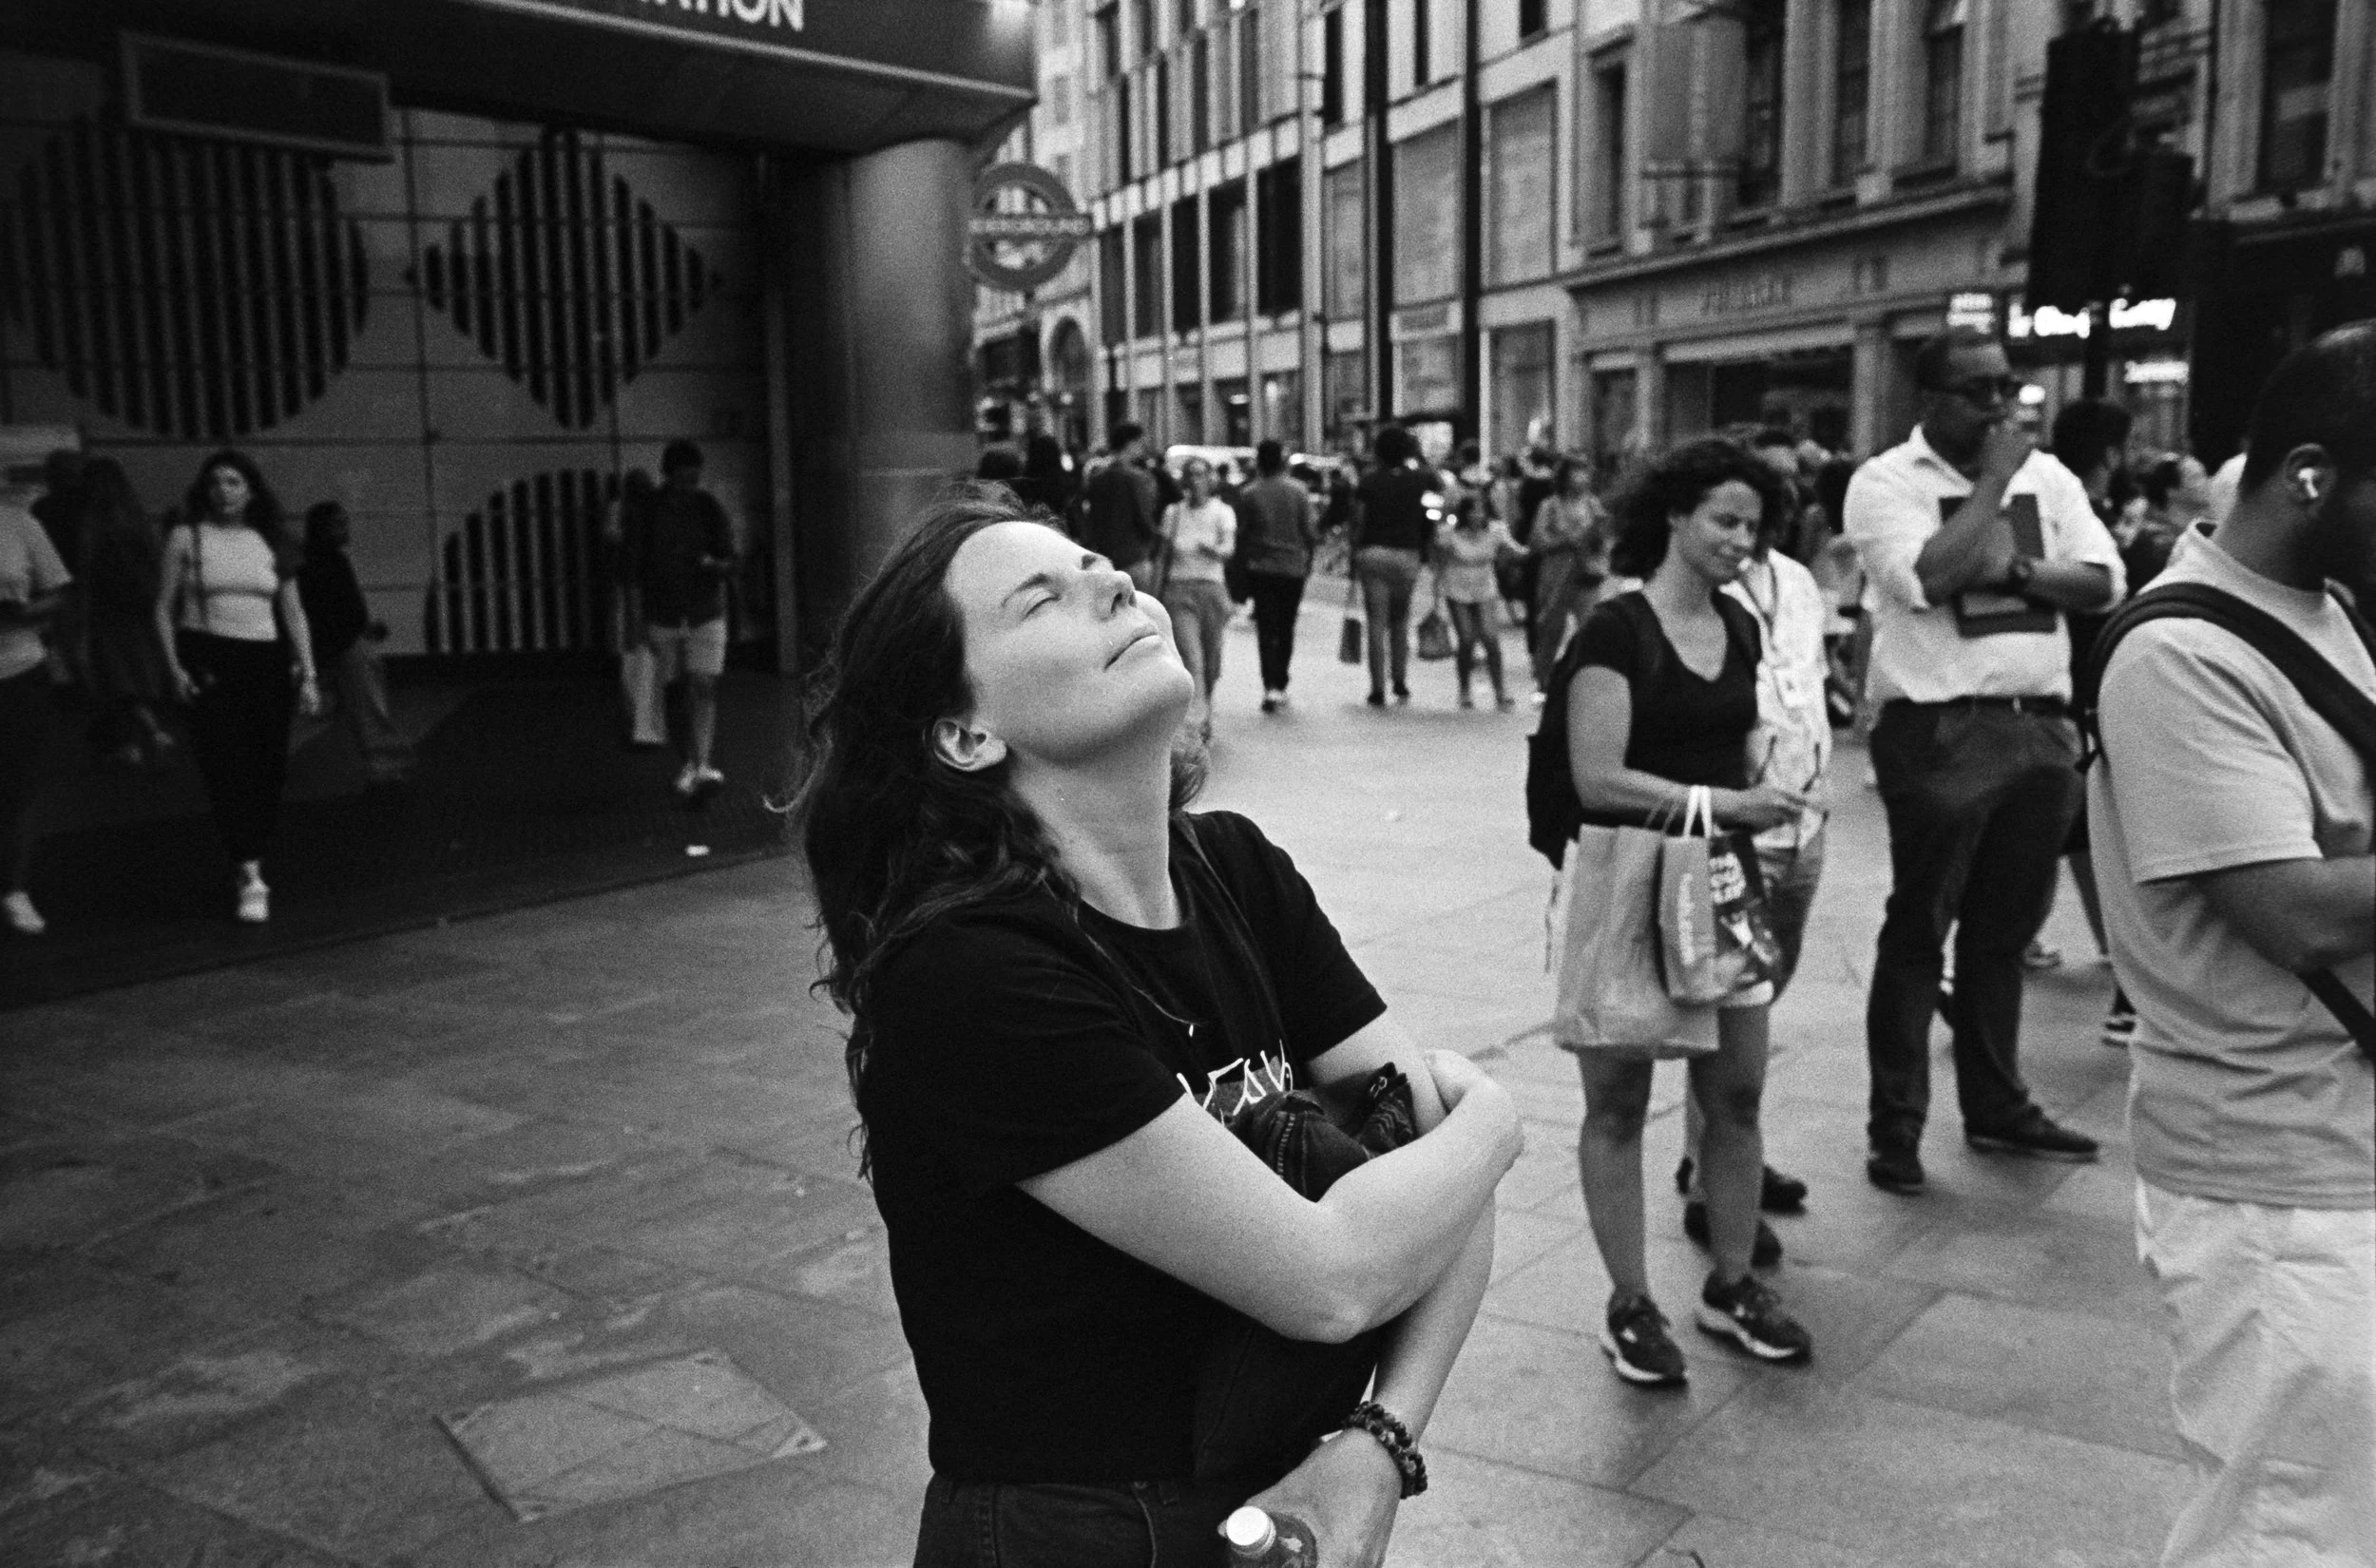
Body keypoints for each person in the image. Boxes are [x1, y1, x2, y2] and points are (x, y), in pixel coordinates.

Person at [795, 490, 1522, 1568]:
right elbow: (1331, 1277)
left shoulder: (1235, 869)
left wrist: (1379, 1445)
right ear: (965, 733)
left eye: (1096, 563)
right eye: (1042, 596)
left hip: (1288, 1491)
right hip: (1084, 1529)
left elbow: (1438, 1197)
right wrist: (1496, 1121)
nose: (1114, 582)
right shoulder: (970, 974)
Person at [2088, 323, 2376, 1568]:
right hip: (2272, 1169)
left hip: (2335, 1133)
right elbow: (2294, 909)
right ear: (2312, 475)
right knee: (2281, 1533)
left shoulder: (2321, 608)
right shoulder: (2181, 652)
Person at [1844, 328, 2125, 1193]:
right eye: (1979, 391)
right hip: (1940, 728)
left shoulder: (2054, 478)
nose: (2002, 405)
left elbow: (2103, 581)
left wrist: (2015, 570)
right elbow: (1926, 578)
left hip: (2039, 726)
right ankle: (1896, 1127)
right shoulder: (1887, 481)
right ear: (1930, 398)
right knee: (1920, 928)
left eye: (2008, 386)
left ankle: (1997, 1106)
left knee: (2004, 934)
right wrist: (1994, 484)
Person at [1560, 438, 1815, 1386]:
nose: (1742, 541)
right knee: (1617, 1101)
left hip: (1722, 882)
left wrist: (1772, 782)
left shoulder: (1741, 625)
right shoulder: (1614, 630)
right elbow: (1596, 776)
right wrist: (1724, 804)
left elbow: (1738, 741)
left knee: (1735, 1093)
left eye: (1756, 526)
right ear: (1673, 516)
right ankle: (1629, 1303)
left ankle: (1733, 1283)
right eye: (1725, 520)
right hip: (1629, 878)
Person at [1672, 448, 1834, 1260]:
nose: (1747, 528)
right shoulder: (1697, 585)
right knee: (1730, 1015)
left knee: (1759, 1007)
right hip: (1735, 828)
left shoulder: (1796, 581)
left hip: (1803, 821)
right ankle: (1715, 1182)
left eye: (1763, 508)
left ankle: (1724, 1151)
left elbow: (1809, 679)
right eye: (1730, 513)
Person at [155, 450, 323, 925]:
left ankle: (251, 854)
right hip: (210, 657)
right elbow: (162, 609)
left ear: (251, 490)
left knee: (267, 766)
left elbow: (293, 613)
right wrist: (174, 668)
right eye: (214, 482)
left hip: (264, 661)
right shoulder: (187, 536)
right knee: (226, 764)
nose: (223, 491)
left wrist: (308, 673)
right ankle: (250, 872)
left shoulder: (270, 540)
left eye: (233, 482)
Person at [2048, 398, 2136, 1038]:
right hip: (2090, 688)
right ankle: (2131, 988)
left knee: (2078, 829)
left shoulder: (2051, 508)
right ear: (2110, 453)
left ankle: (2119, 962)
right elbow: (2108, 593)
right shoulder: (2084, 517)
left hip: (2067, 689)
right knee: (2110, 834)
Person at [626, 438, 737, 798]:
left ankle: (700, 764)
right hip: (665, 614)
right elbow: (634, 569)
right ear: (668, 474)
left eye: (694, 480)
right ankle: (691, 762)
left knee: (703, 684)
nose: (690, 487)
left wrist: (714, 565)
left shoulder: (708, 508)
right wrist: (637, 622)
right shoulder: (648, 511)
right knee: (675, 692)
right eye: (683, 480)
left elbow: (730, 559)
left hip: (704, 612)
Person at [297, 502, 415, 785]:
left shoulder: (317, 562)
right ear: (323, 529)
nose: (345, 529)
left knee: (355, 710)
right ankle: (384, 767)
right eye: (338, 524)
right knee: (368, 707)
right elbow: (336, 609)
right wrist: (358, 631)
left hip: (338, 643)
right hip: (346, 645)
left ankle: (366, 767)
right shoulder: (328, 563)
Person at [73, 457, 176, 767]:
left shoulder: (90, 525)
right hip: (139, 611)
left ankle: (144, 736)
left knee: (115, 680)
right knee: (135, 677)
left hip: (106, 613)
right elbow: (154, 566)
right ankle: (147, 735)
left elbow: (86, 578)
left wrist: (80, 628)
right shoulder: (136, 520)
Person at [2, 488, 71, 936]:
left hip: (20, 669)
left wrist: (25, 611)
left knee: (19, 784)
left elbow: (60, 592)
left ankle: (14, 889)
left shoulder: (19, 524)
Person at [1351, 424, 1437, 708]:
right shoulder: (1421, 480)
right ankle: (1399, 679)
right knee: (1400, 619)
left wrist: (1355, 550)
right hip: (1407, 554)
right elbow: (1432, 513)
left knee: (1376, 622)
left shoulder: (1369, 481)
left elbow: (1359, 520)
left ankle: (1377, 688)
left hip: (1374, 552)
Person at [1234, 438, 1319, 715]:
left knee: (1266, 627)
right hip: (1292, 568)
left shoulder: (1249, 493)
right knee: (1286, 626)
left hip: (1261, 568)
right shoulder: (1299, 491)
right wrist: (1308, 559)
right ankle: (1280, 681)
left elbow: (1241, 533)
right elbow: (1310, 532)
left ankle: (1269, 683)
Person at [1158, 455, 1236, 741]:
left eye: (1201, 474)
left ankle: (1205, 708)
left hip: (1211, 590)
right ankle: (1197, 723)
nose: (1195, 480)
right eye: (1190, 474)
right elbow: (1162, 556)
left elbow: (1228, 549)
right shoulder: (1173, 513)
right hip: (1179, 591)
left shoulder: (1222, 512)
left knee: (1211, 660)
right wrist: (1154, 595)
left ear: (1210, 479)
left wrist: (1210, 549)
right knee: (1192, 658)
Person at [1529, 455, 1613, 693]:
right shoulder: (1550, 506)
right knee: (1551, 629)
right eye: (1576, 473)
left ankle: (1584, 676)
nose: (1582, 478)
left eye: (1585, 473)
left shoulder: (1592, 504)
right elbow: (1538, 541)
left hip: (1586, 574)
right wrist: (1567, 540)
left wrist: (1597, 532)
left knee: (1590, 627)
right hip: (1556, 576)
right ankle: (1544, 680)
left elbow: (1603, 542)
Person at [1432, 490, 1519, 709]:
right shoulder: (1449, 534)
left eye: (1481, 511)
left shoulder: (1496, 531)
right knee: (1467, 639)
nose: (1477, 516)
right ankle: (1464, 689)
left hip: (1485, 588)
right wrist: (1436, 595)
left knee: (1490, 637)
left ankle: (1500, 690)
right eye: (1472, 511)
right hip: (1456, 588)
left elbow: (1516, 550)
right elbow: (1439, 563)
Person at [605, 470, 664, 749]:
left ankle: (636, 721)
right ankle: (647, 724)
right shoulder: (654, 513)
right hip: (648, 587)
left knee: (631, 648)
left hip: (629, 583)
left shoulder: (621, 510)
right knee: (647, 651)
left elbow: (611, 538)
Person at [1078, 421, 1165, 593]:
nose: (1142, 448)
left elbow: (1090, 517)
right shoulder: (1138, 478)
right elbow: (1145, 518)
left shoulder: (1098, 477)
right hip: (1134, 557)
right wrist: (1155, 541)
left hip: (1105, 558)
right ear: (1131, 443)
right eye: (1140, 443)